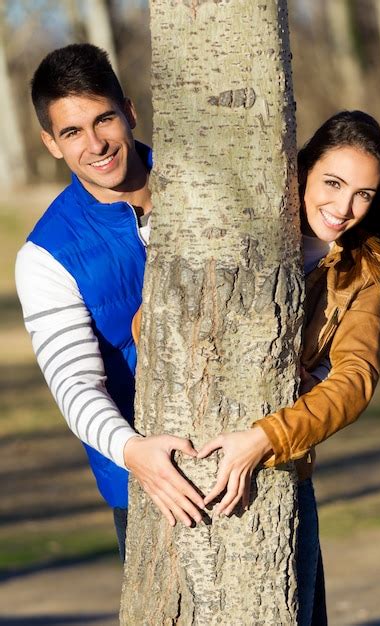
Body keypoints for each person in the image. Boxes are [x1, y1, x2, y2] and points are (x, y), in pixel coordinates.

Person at [190, 110, 380, 625]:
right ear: (304, 170)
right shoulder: (238, 231)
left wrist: (267, 436)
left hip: (286, 470)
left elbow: (355, 379)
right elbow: (155, 326)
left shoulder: (367, 270)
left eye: (364, 194)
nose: (344, 208)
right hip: (192, 459)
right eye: (333, 184)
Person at [15, 43, 206, 561]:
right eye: (72, 132)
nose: (95, 144)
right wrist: (133, 453)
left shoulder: (208, 191)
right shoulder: (46, 256)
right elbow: (75, 382)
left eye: (104, 119)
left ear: (130, 112)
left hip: (254, 456)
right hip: (146, 483)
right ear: (51, 143)